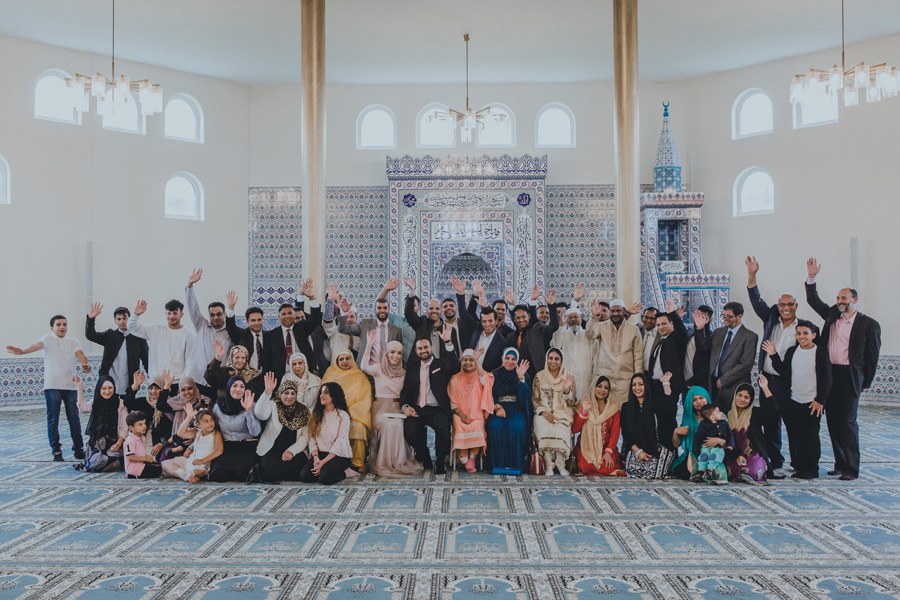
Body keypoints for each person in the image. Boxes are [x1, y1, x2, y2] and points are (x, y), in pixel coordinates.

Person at [805, 258, 880, 481]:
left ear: (854, 300)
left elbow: (872, 356)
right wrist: (812, 278)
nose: (840, 301)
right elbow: (813, 300)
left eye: (844, 298)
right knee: (833, 422)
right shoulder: (831, 316)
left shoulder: (868, 324)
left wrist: (866, 382)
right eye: (838, 298)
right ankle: (839, 463)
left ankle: (851, 468)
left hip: (850, 377)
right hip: (830, 376)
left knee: (847, 423)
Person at [7, 315, 90, 461]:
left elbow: (81, 355)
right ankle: (56, 451)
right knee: (53, 419)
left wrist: (85, 365)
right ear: (52, 328)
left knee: (74, 419)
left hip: (70, 386)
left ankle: (78, 450)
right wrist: (22, 351)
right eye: (58, 324)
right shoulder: (47, 339)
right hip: (52, 386)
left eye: (64, 324)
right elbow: (35, 346)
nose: (62, 327)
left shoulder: (73, 341)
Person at [746, 256, 797, 478]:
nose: (785, 308)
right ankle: (774, 459)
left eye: (789, 304)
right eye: (782, 304)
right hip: (768, 381)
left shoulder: (803, 328)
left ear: (796, 306)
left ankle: (799, 461)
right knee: (771, 423)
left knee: (793, 423)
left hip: (789, 383)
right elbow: (755, 299)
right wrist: (752, 275)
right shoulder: (770, 320)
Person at [765, 318, 833, 480]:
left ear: (813, 335)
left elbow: (827, 379)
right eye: (798, 333)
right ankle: (799, 466)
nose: (801, 337)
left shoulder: (820, 352)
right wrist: (773, 354)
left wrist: (820, 400)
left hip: (812, 403)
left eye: (805, 333)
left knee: (810, 436)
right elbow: (783, 371)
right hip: (793, 401)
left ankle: (811, 468)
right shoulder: (792, 351)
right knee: (796, 436)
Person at [400, 326, 460, 474]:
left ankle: (440, 462)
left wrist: (448, 342)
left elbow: (455, 366)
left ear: (432, 348)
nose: (424, 351)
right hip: (418, 408)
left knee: (443, 429)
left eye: (426, 347)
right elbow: (405, 391)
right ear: (416, 351)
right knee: (410, 431)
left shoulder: (441, 364)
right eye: (420, 349)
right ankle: (425, 455)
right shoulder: (412, 368)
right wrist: (405, 406)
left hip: (437, 408)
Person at [359, 337, 421, 478]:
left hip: (397, 407)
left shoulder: (404, 373)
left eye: (399, 353)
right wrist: (368, 345)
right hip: (380, 407)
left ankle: (398, 462)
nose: (395, 356)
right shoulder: (378, 369)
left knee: (398, 424)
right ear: (386, 353)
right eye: (392, 352)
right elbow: (363, 367)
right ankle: (384, 464)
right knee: (388, 425)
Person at [250, 372, 310, 482]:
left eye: (293, 393)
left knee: (299, 473)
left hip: (294, 450)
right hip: (272, 448)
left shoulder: (303, 410)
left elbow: (305, 437)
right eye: (286, 393)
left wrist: (292, 451)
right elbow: (260, 414)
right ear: (280, 393)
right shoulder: (273, 404)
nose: (289, 396)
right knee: (271, 472)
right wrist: (267, 392)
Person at [321, 350, 373, 473]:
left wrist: (349, 413)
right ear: (336, 361)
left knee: (359, 427)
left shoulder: (360, 376)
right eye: (341, 359)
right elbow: (323, 396)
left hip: (355, 414)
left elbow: (365, 399)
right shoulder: (330, 374)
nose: (344, 361)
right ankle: (333, 460)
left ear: (352, 360)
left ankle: (358, 462)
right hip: (333, 413)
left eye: (347, 358)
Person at [263, 279, 322, 385]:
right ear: (278, 316)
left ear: (294, 315)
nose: (287, 316)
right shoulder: (270, 335)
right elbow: (267, 359)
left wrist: (312, 298)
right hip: (280, 378)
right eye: (283, 314)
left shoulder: (302, 328)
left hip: (303, 375)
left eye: (290, 313)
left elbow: (315, 319)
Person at [184, 268, 233, 397]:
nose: (215, 317)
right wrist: (190, 286)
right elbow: (192, 307)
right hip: (200, 381)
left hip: (222, 382)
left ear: (224, 314)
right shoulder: (202, 326)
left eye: (218, 314)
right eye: (212, 315)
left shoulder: (231, 332)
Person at [645, 301, 687, 449]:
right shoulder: (661, 341)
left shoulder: (676, 339)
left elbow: (682, 332)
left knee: (668, 421)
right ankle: (660, 452)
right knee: (658, 420)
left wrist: (673, 314)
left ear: (671, 324)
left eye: (664, 324)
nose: (660, 327)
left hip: (669, 387)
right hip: (656, 386)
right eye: (658, 325)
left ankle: (670, 452)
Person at [586, 299, 643, 407]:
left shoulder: (634, 329)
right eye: (612, 311)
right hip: (604, 380)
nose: (615, 314)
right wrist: (594, 316)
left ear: (624, 311)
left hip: (625, 380)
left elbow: (638, 357)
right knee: (603, 411)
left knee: (623, 413)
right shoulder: (601, 326)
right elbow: (589, 335)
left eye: (618, 311)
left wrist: (638, 380)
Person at [127, 299, 195, 390]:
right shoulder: (155, 330)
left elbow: (190, 363)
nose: (171, 316)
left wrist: (182, 384)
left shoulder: (189, 335)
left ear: (181, 314)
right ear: (165, 314)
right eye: (169, 313)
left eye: (175, 313)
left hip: (176, 382)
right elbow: (132, 329)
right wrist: (136, 315)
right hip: (156, 381)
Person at [485, 349, 532, 474]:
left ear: (517, 361)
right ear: (503, 359)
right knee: (494, 424)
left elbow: (527, 398)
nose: (510, 362)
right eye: (507, 358)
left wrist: (521, 378)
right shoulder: (495, 374)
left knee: (517, 425)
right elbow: (488, 394)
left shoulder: (523, 374)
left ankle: (517, 464)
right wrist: (497, 407)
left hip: (517, 407)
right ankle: (494, 464)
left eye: (513, 359)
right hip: (498, 407)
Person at [705, 301, 758, 411]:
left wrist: (724, 380)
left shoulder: (750, 336)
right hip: (713, 386)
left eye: (729, 316)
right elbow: (703, 349)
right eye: (723, 316)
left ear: (739, 316)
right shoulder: (718, 332)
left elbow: (746, 364)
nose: (725, 319)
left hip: (734, 388)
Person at [84, 303, 148, 394]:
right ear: (115, 321)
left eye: (124, 318)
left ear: (130, 319)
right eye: (119, 319)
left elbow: (147, 360)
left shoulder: (138, 338)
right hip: (109, 383)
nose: (122, 321)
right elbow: (90, 336)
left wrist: (154, 380)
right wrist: (91, 319)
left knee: (127, 407)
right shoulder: (110, 335)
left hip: (130, 383)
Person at [300, 382, 356, 485]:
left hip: (338, 455)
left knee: (325, 478)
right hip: (320, 454)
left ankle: (346, 472)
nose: (321, 396)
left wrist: (323, 462)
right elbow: (312, 438)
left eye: (326, 393)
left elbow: (340, 442)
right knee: (304, 476)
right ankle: (323, 469)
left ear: (334, 395)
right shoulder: (316, 414)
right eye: (321, 393)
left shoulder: (343, 416)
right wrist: (316, 458)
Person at [532, 348, 577, 476]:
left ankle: (561, 465)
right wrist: (544, 413)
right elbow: (535, 400)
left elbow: (572, 401)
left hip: (563, 412)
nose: (553, 361)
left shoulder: (568, 376)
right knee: (543, 425)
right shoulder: (539, 376)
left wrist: (567, 390)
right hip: (543, 413)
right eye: (550, 358)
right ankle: (548, 465)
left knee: (561, 426)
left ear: (561, 361)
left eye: (556, 359)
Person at [448, 348, 495, 472]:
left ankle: (472, 457)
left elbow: (484, 379)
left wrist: (477, 360)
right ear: (461, 361)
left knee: (478, 424)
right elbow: (453, 402)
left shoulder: (480, 377)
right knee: (459, 424)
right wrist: (461, 414)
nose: (468, 363)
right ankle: (463, 457)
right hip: (460, 413)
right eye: (465, 360)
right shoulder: (455, 379)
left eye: (471, 360)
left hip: (476, 413)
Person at [620, 373, 674, 479]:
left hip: (657, 447)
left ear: (646, 386)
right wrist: (638, 451)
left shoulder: (655, 403)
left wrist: (666, 383)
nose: (637, 388)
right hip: (637, 448)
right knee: (633, 473)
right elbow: (625, 434)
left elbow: (670, 408)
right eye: (634, 385)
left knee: (656, 475)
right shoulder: (626, 407)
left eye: (641, 384)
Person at [209, 376, 262, 482]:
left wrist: (248, 410)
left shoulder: (252, 404)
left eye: (242, 386)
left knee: (241, 474)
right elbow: (212, 429)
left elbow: (255, 432)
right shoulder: (218, 407)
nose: (238, 389)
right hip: (227, 448)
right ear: (229, 388)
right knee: (218, 475)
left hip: (246, 447)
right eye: (235, 386)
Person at [572, 376, 625, 476]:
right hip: (586, 447)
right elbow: (575, 429)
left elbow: (615, 433)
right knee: (587, 465)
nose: (602, 390)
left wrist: (608, 452)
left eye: (606, 388)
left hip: (606, 448)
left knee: (609, 464)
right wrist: (585, 412)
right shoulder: (583, 404)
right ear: (593, 388)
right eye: (599, 386)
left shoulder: (613, 409)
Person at [339, 286, 403, 368]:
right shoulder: (365, 324)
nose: (382, 310)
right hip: (366, 371)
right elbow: (343, 329)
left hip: (387, 373)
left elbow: (399, 354)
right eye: (379, 308)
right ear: (375, 310)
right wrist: (344, 312)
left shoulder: (397, 330)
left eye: (385, 308)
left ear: (388, 309)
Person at [74, 374, 127, 472]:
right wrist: (79, 388)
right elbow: (83, 408)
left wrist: (118, 444)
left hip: (115, 442)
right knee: (96, 463)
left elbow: (124, 427)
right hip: (98, 443)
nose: (107, 391)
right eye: (104, 388)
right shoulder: (96, 402)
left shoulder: (120, 403)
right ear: (99, 389)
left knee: (115, 460)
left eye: (110, 388)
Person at [504, 285, 560, 374]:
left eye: (524, 317)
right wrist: (511, 304)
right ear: (514, 319)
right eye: (518, 318)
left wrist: (551, 305)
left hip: (535, 373)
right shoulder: (510, 336)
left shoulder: (537, 329)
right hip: (514, 374)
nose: (521, 320)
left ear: (529, 316)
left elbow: (554, 327)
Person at [157, 374, 212, 463]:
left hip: (197, 442)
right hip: (177, 440)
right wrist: (167, 386)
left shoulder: (203, 401)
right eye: (183, 390)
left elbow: (209, 424)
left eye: (190, 388)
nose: (187, 392)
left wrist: (194, 437)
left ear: (194, 388)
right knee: (164, 461)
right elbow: (160, 406)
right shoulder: (176, 402)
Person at [724, 383, 771, 485]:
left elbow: (773, 411)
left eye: (746, 397)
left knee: (753, 472)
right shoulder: (727, 414)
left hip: (751, 454)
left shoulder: (755, 413)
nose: (742, 399)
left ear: (751, 400)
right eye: (739, 395)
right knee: (728, 472)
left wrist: (765, 388)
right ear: (735, 395)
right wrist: (736, 456)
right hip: (732, 453)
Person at [405, 277, 461, 359]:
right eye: (431, 308)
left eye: (437, 309)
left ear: (441, 311)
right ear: (426, 311)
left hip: (442, 369)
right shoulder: (420, 323)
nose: (434, 311)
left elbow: (454, 353)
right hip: (422, 367)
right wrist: (411, 291)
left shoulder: (449, 329)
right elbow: (409, 313)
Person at [161, 409, 223, 483]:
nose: (210, 423)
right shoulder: (196, 432)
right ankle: (188, 476)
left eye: (211, 420)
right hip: (190, 460)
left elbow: (219, 450)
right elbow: (180, 433)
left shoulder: (216, 433)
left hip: (203, 463)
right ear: (199, 425)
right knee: (165, 464)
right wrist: (189, 417)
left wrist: (202, 461)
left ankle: (190, 475)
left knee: (196, 471)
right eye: (206, 421)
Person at [550, 306, 597, 399]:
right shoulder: (562, 333)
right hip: (567, 378)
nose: (573, 320)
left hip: (585, 378)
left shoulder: (588, 335)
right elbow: (555, 346)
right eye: (570, 318)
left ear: (581, 318)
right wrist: (561, 326)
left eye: (576, 317)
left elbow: (595, 357)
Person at [123, 370, 170, 458]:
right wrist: (135, 385)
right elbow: (128, 402)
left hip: (160, 443)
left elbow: (172, 427)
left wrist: (162, 443)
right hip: (143, 441)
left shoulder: (168, 404)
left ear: (163, 389)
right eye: (151, 388)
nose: (153, 391)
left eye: (157, 388)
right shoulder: (144, 402)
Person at [671, 386, 711, 480]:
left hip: (713, 454)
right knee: (682, 472)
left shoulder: (718, 416)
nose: (699, 402)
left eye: (701, 398)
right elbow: (676, 444)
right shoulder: (689, 420)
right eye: (694, 400)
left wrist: (716, 440)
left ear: (707, 398)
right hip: (692, 455)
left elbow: (727, 438)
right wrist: (676, 432)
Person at [690, 404, 734, 484]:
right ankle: (700, 472)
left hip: (718, 447)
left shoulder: (724, 423)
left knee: (716, 457)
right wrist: (695, 449)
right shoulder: (704, 424)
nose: (721, 413)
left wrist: (730, 444)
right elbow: (698, 436)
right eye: (718, 412)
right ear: (712, 417)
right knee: (703, 457)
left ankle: (709, 470)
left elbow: (730, 434)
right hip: (705, 446)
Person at [225, 297, 266, 372]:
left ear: (262, 319)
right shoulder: (241, 334)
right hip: (246, 377)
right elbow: (230, 327)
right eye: (253, 320)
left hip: (265, 377)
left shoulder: (269, 336)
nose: (256, 323)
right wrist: (231, 308)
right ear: (247, 321)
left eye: (259, 320)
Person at [124, 411, 162, 479]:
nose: (144, 426)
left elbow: (140, 453)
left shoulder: (142, 437)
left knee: (158, 465)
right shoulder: (130, 440)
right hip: (134, 467)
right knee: (157, 471)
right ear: (131, 428)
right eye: (140, 425)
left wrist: (149, 459)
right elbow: (130, 457)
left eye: (144, 423)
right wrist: (145, 458)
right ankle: (132, 474)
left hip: (141, 463)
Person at [684, 306, 714, 389]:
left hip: (700, 384)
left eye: (703, 318)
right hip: (686, 383)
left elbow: (702, 351)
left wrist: (694, 380)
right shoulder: (690, 332)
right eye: (698, 317)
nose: (699, 320)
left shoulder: (712, 337)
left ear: (710, 320)